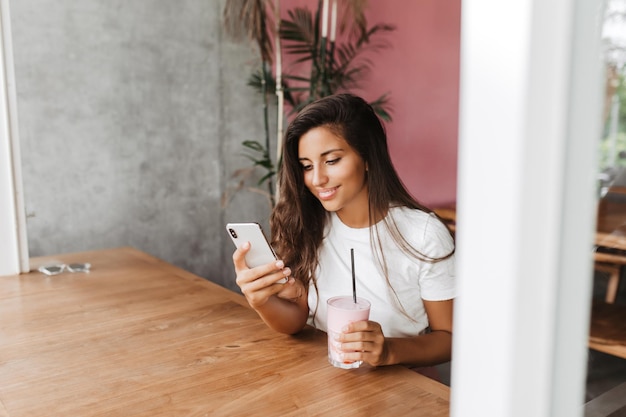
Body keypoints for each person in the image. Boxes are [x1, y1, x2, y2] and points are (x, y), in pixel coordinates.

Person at [232, 93, 456, 368]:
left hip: (399, 390)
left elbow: (450, 339)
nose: (317, 179)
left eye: (332, 160)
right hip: (322, 380)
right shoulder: (308, 221)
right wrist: (260, 300)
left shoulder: (423, 234)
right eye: (306, 166)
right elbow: (295, 322)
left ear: (367, 157)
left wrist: (388, 351)